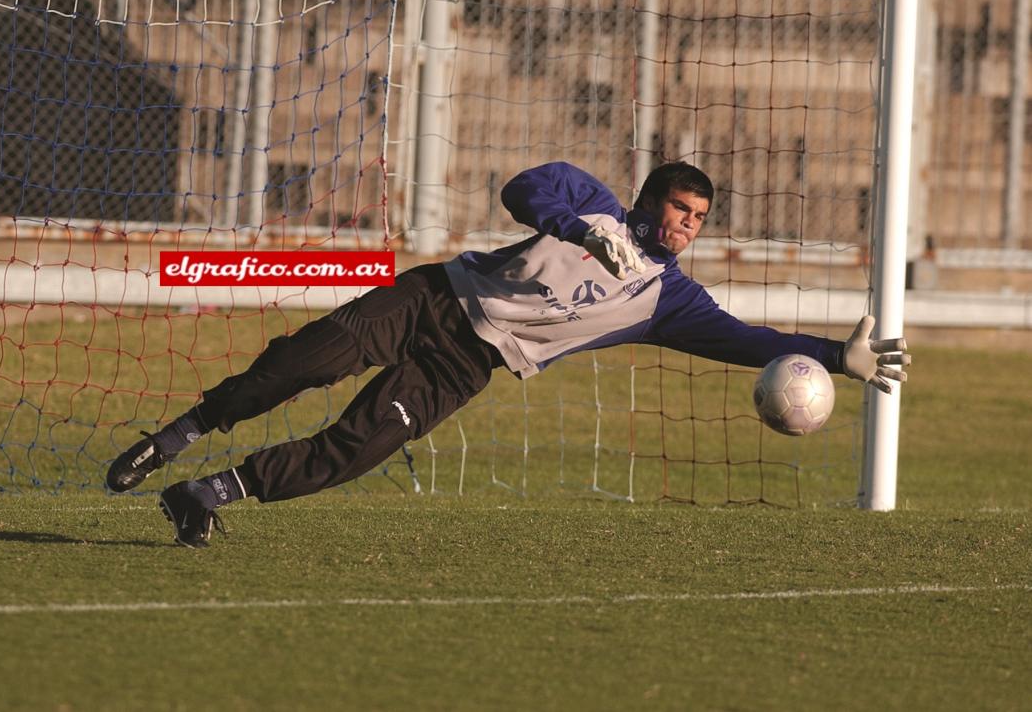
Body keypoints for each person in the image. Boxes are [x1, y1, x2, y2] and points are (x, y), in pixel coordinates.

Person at [106, 161, 911, 547]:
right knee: (296, 366)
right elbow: (525, 188)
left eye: (698, 218)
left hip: (465, 367)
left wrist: (835, 358)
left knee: (356, 450)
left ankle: (205, 494)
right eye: (677, 207)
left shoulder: (669, 300)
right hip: (432, 300)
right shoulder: (590, 203)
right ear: (649, 197)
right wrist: (576, 226)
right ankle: (176, 434)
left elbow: (747, 342)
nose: (684, 224)